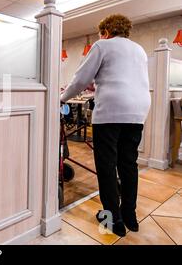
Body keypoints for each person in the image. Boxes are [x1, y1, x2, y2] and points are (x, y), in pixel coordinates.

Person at [60, 14, 151, 237]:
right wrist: (98, 86)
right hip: (138, 111)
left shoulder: (103, 45)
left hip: (111, 111)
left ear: (106, 32)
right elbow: (122, 78)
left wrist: (61, 99)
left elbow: (81, 79)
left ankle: (114, 220)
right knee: (128, 164)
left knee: (107, 165)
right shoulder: (138, 49)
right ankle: (130, 215)